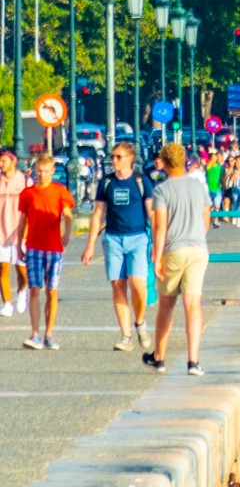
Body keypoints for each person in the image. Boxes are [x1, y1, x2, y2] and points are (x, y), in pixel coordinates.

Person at [144, 144, 211, 375]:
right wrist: (195, 236)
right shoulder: (198, 186)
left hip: (174, 249)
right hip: (198, 249)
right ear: (183, 160)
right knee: (193, 305)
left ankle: (159, 357)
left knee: (167, 304)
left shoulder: (161, 190)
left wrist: (156, 256)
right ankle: (193, 361)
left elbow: (160, 226)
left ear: (163, 162)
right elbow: (206, 221)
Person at [89, 143, 151, 352]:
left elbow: (152, 212)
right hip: (113, 239)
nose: (114, 160)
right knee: (117, 286)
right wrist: (90, 245)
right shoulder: (106, 182)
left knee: (138, 285)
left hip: (137, 237)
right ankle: (126, 335)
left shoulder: (141, 181)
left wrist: (160, 242)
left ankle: (140, 321)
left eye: (118, 157)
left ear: (130, 158)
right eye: (113, 157)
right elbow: (98, 214)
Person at [19, 155, 75, 350]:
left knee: (52, 291)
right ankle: (35, 333)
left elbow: (68, 215)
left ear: (52, 171)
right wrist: (19, 243)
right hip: (34, 247)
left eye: (45, 171)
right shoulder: (28, 194)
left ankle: (48, 334)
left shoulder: (61, 192)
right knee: (34, 289)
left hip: (53, 248)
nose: (41, 175)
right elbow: (22, 220)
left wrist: (67, 232)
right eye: (38, 171)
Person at [0, 148, 21, 319]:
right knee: (3, 268)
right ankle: (7, 303)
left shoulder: (24, 181)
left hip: (20, 232)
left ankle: (23, 291)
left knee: (22, 269)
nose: (1, 164)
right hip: (1, 232)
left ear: (13, 161)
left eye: (4, 161)